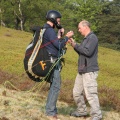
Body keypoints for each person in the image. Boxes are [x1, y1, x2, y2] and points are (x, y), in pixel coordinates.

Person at [42, 10, 74, 120]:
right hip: (52, 62)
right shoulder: (49, 30)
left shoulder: (45, 29)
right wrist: (67, 37)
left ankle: (50, 110)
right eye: (58, 20)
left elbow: (55, 43)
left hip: (49, 61)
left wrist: (59, 35)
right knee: (56, 86)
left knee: (54, 86)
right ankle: (50, 112)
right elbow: (59, 45)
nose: (59, 22)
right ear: (53, 19)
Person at [69, 20, 102, 120]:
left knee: (91, 94)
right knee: (76, 93)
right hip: (82, 70)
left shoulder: (92, 38)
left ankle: (97, 116)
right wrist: (73, 45)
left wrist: (75, 45)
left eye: (79, 28)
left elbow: (87, 52)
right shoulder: (86, 39)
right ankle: (81, 111)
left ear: (86, 27)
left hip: (89, 71)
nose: (78, 30)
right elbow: (82, 52)